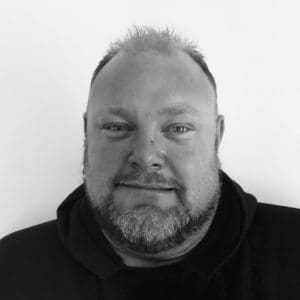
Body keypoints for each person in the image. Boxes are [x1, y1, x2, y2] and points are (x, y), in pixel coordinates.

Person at [1, 26, 300, 300]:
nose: (145, 156)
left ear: (216, 138)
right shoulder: (11, 271)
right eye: (117, 127)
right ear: (86, 136)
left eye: (178, 128)